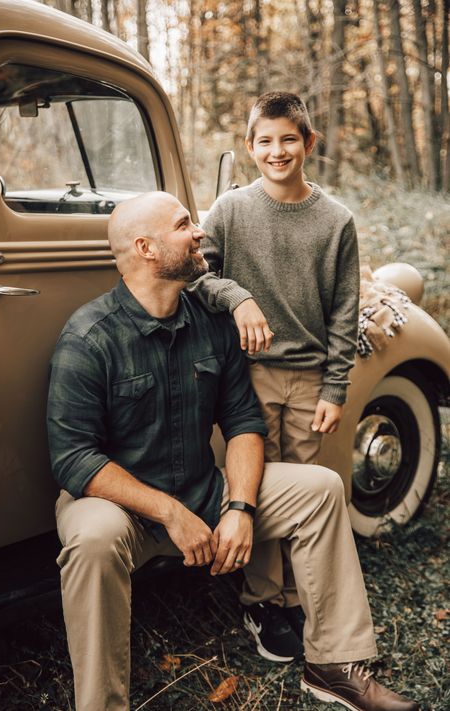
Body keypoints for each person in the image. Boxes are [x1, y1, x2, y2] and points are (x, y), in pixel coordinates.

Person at [47, 191, 419, 711]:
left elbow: (244, 421)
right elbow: (73, 458)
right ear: (146, 248)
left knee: (320, 489)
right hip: (123, 510)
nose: (199, 231)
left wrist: (240, 508)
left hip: (204, 489)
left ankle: (333, 664)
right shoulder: (88, 337)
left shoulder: (209, 322)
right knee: (91, 537)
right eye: (183, 225)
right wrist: (169, 513)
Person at [189, 89, 360, 621]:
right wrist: (237, 297)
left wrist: (335, 388)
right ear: (249, 146)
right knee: (258, 481)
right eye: (265, 140)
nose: (277, 151)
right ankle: (264, 598)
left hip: (310, 378)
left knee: (305, 484)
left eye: (289, 139)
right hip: (248, 375)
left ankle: (302, 596)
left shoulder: (336, 221)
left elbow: (345, 311)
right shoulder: (230, 210)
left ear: (308, 142)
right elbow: (198, 276)